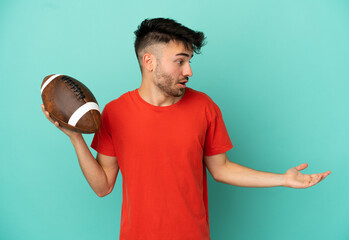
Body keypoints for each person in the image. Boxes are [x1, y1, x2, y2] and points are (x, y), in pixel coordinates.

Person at [41, 18, 331, 240]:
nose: (189, 71)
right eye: (180, 61)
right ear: (149, 61)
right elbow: (103, 186)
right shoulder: (116, 113)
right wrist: (76, 138)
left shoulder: (204, 107)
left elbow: (222, 169)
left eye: (189, 61)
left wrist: (283, 179)